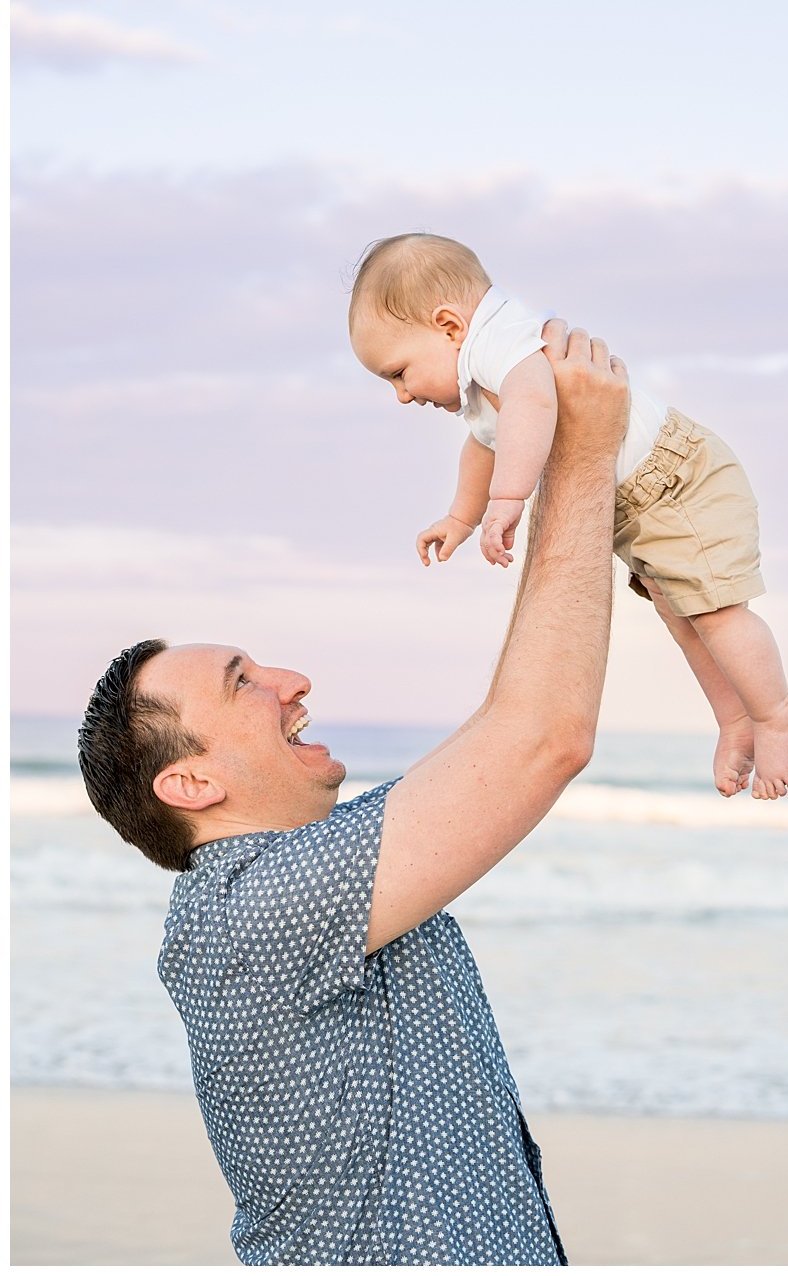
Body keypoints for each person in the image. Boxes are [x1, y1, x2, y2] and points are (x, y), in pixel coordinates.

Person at [76, 322, 629, 1264]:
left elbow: (515, 734)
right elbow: (540, 740)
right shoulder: (252, 907)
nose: (291, 679)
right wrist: (583, 452)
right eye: (243, 681)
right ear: (193, 782)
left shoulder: (309, 877)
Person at [347, 232, 788, 801]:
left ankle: (777, 714)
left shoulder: (501, 341)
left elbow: (533, 403)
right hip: (640, 502)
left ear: (448, 326)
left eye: (398, 373)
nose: (401, 395)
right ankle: (736, 718)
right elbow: (484, 444)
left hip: (676, 478)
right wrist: (459, 520)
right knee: (684, 617)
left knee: (717, 614)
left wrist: (508, 501)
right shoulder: (481, 374)